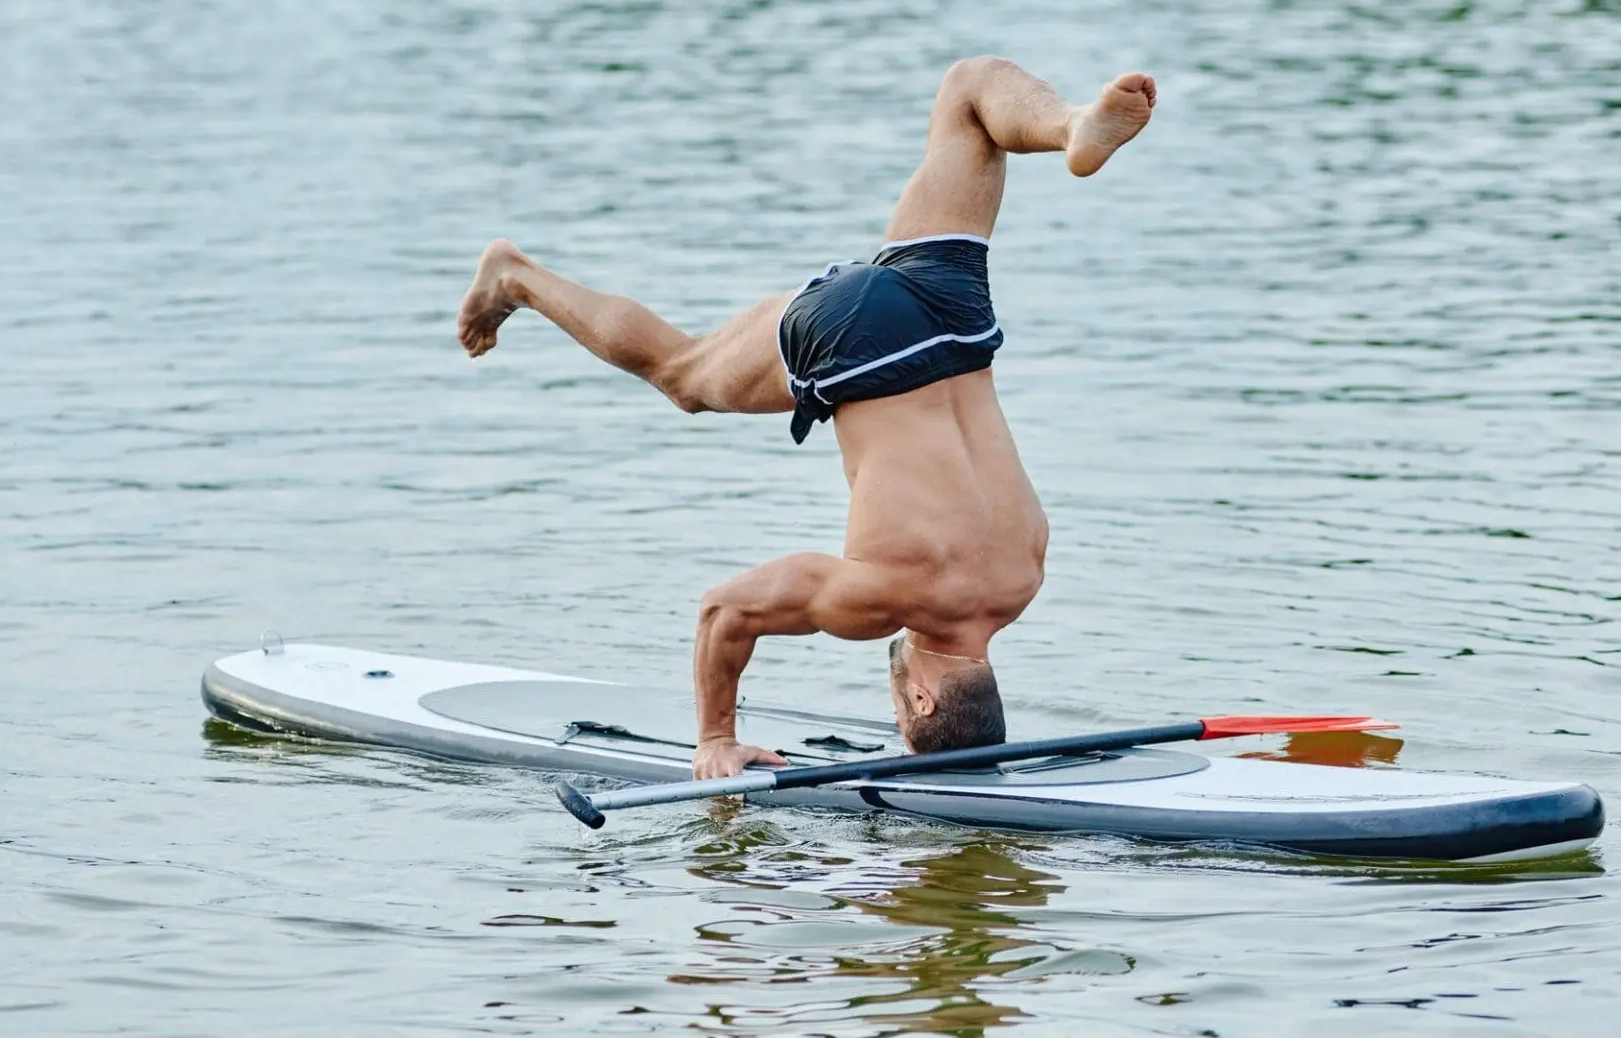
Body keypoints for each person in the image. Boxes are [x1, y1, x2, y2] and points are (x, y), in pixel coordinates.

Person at [456, 57, 1155, 778]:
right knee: (682, 372)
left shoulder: (1025, 570)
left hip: (957, 321)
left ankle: (1069, 124)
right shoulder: (883, 598)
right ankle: (518, 277)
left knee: (969, 91)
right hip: (859, 340)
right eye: (899, 712)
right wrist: (714, 737)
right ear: (920, 699)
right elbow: (725, 610)